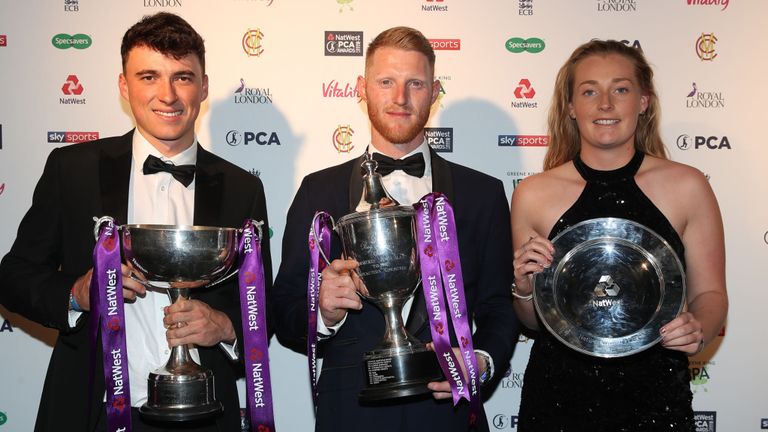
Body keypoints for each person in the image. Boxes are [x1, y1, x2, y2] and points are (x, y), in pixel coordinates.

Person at [0, 12, 271, 432]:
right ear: (124, 86)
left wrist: (226, 325)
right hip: (91, 410)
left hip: (205, 414)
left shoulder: (242, 188)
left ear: (203, 87)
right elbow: (13, 276)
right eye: (149, 76)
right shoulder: (71, 169)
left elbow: (261, 299)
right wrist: (77, 293)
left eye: (182, 77)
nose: (168, 94)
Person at [272, 26, 519, 431]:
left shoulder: (483, 193)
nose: (400, 98)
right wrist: (322, 311)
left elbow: (498, 304)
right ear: (362, 88)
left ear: (435, 91)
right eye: (386, 82)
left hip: (449, 411)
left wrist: (482, 359)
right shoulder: (320, 190)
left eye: (415, 84)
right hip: (351, 411)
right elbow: (283, 307)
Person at [510, 39, 728, 431]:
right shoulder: (533, 193)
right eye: (589, 91)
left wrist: (699, 328)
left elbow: (710, 294)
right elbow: (532, 320)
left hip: (656, 398)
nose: (605, 104)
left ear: (643, 101)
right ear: (571, 107)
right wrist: (524, 286)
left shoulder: (688, 186)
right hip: (558, 401)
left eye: (621, 89)